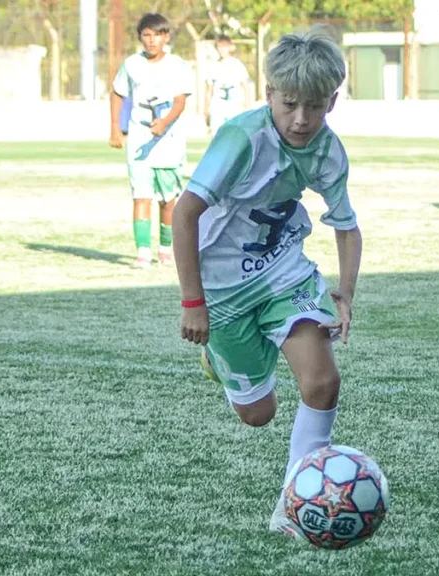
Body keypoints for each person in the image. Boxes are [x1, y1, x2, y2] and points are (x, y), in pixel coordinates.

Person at [172, 27, 361, 536]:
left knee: (322, 382)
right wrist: (193, 303)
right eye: (290, 104)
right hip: (222, 289)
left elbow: (346, 226)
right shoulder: (242, 138)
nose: (301, 119)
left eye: (315, 107)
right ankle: (218, 360)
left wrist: (345, 292)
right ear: (270, 94)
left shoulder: (327, 149)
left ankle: (295, 502)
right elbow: (184, 214)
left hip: (283, 272)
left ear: (332, 102)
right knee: (258, 414)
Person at [109, 13, 194, 269]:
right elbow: (117, 93)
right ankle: (143, 252)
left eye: (157, 35)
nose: (151, 40)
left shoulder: (177, 65)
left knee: (168, 200)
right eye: (146, 35)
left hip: (168, 142)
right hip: (139, 140)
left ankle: (165, 249)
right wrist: (115, 128)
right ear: (140, 37)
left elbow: (180, 101)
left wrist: (164, 122)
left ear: (166, 37)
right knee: (141, 195)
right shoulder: (131, 65)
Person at [203, 34, 252, 135]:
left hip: (234, 107)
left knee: (234, 136)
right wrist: (206, 109)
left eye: (224, 46)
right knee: (218, 136)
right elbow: (209, 90)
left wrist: (247, 107)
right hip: (217, 107)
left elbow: (246, 87)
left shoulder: (237, 65)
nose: (222, 49)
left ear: (230, 47)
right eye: (219, 46)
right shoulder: (213, 66)